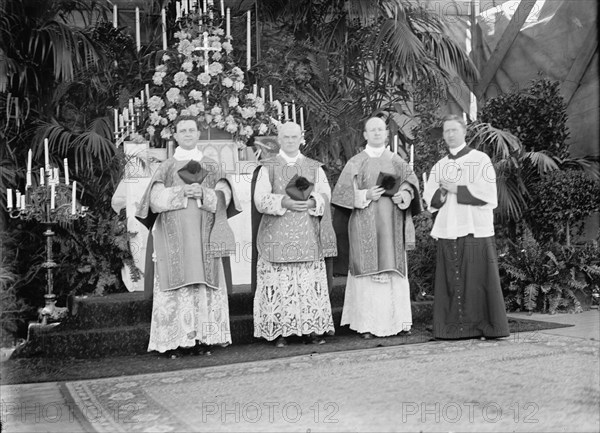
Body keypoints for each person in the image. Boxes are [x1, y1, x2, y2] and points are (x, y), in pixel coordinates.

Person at [136, 115, 242, 357]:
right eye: (182, 130)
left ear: (198, 133)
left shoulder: (212, 166)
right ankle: (175, 340)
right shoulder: (166, 167)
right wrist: (181, 191)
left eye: (191, 130)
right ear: (175, 135)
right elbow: (153, 200)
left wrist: (204, 193)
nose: (187, 134)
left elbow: (225, 197)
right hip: (174, 240)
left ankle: (205, 339)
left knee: (205, 284)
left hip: (206, 237)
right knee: (176, 286)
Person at [331, 117, 421, 339]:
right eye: (372, 130)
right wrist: (364, 194)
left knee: (392, 268)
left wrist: (405, 195)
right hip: (364, 226)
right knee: (367, 271)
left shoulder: (397, 161)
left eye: (381, 129)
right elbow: (341, 195)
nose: (377, 133)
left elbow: (412, 185)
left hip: (392, 226)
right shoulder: (355, 162)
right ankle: (366, 325)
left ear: (386, 134)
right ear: (365, 134)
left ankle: (397, 322)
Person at [423, 114, 509, 340]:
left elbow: (489, 195)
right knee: (451, 280)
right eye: (446, 131)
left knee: (478, 280)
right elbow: (430, 199)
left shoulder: (480, 159)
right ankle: (451, 328)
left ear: (464, 132)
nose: (450, 134)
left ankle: (485, 327)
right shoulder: (439, 165)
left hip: (474, 228)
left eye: (454, 130)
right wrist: (441, 192)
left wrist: (456, 188)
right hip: (449, 228)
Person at [252, 121, 337, 347]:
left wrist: (312, 202)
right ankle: (281, 330)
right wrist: (284, 201)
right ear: (279, 139)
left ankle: (312, 329)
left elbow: (326, 194)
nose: (290, 140)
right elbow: (259, 199)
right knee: (281, 284)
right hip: (277, 235)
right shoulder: (267, 166)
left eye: (294, 136)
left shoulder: (313, 167)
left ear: (302, 138)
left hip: (307, 233)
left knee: (308, 284)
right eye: (286, 137)